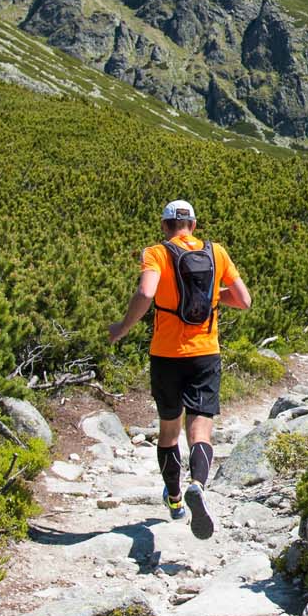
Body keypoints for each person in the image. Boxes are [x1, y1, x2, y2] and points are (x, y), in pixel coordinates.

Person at [108, 199, 251, 539]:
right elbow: (244, 300)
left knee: (169, 430)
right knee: (200, 431)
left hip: (166, 355)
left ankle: (174, 500)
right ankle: (198, 484)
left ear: (164, 226)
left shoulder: (156, 253)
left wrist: (122, 328)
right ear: (194, 226)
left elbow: (146, 291)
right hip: (205, 352)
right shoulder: (217, 252)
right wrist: (212, 297)